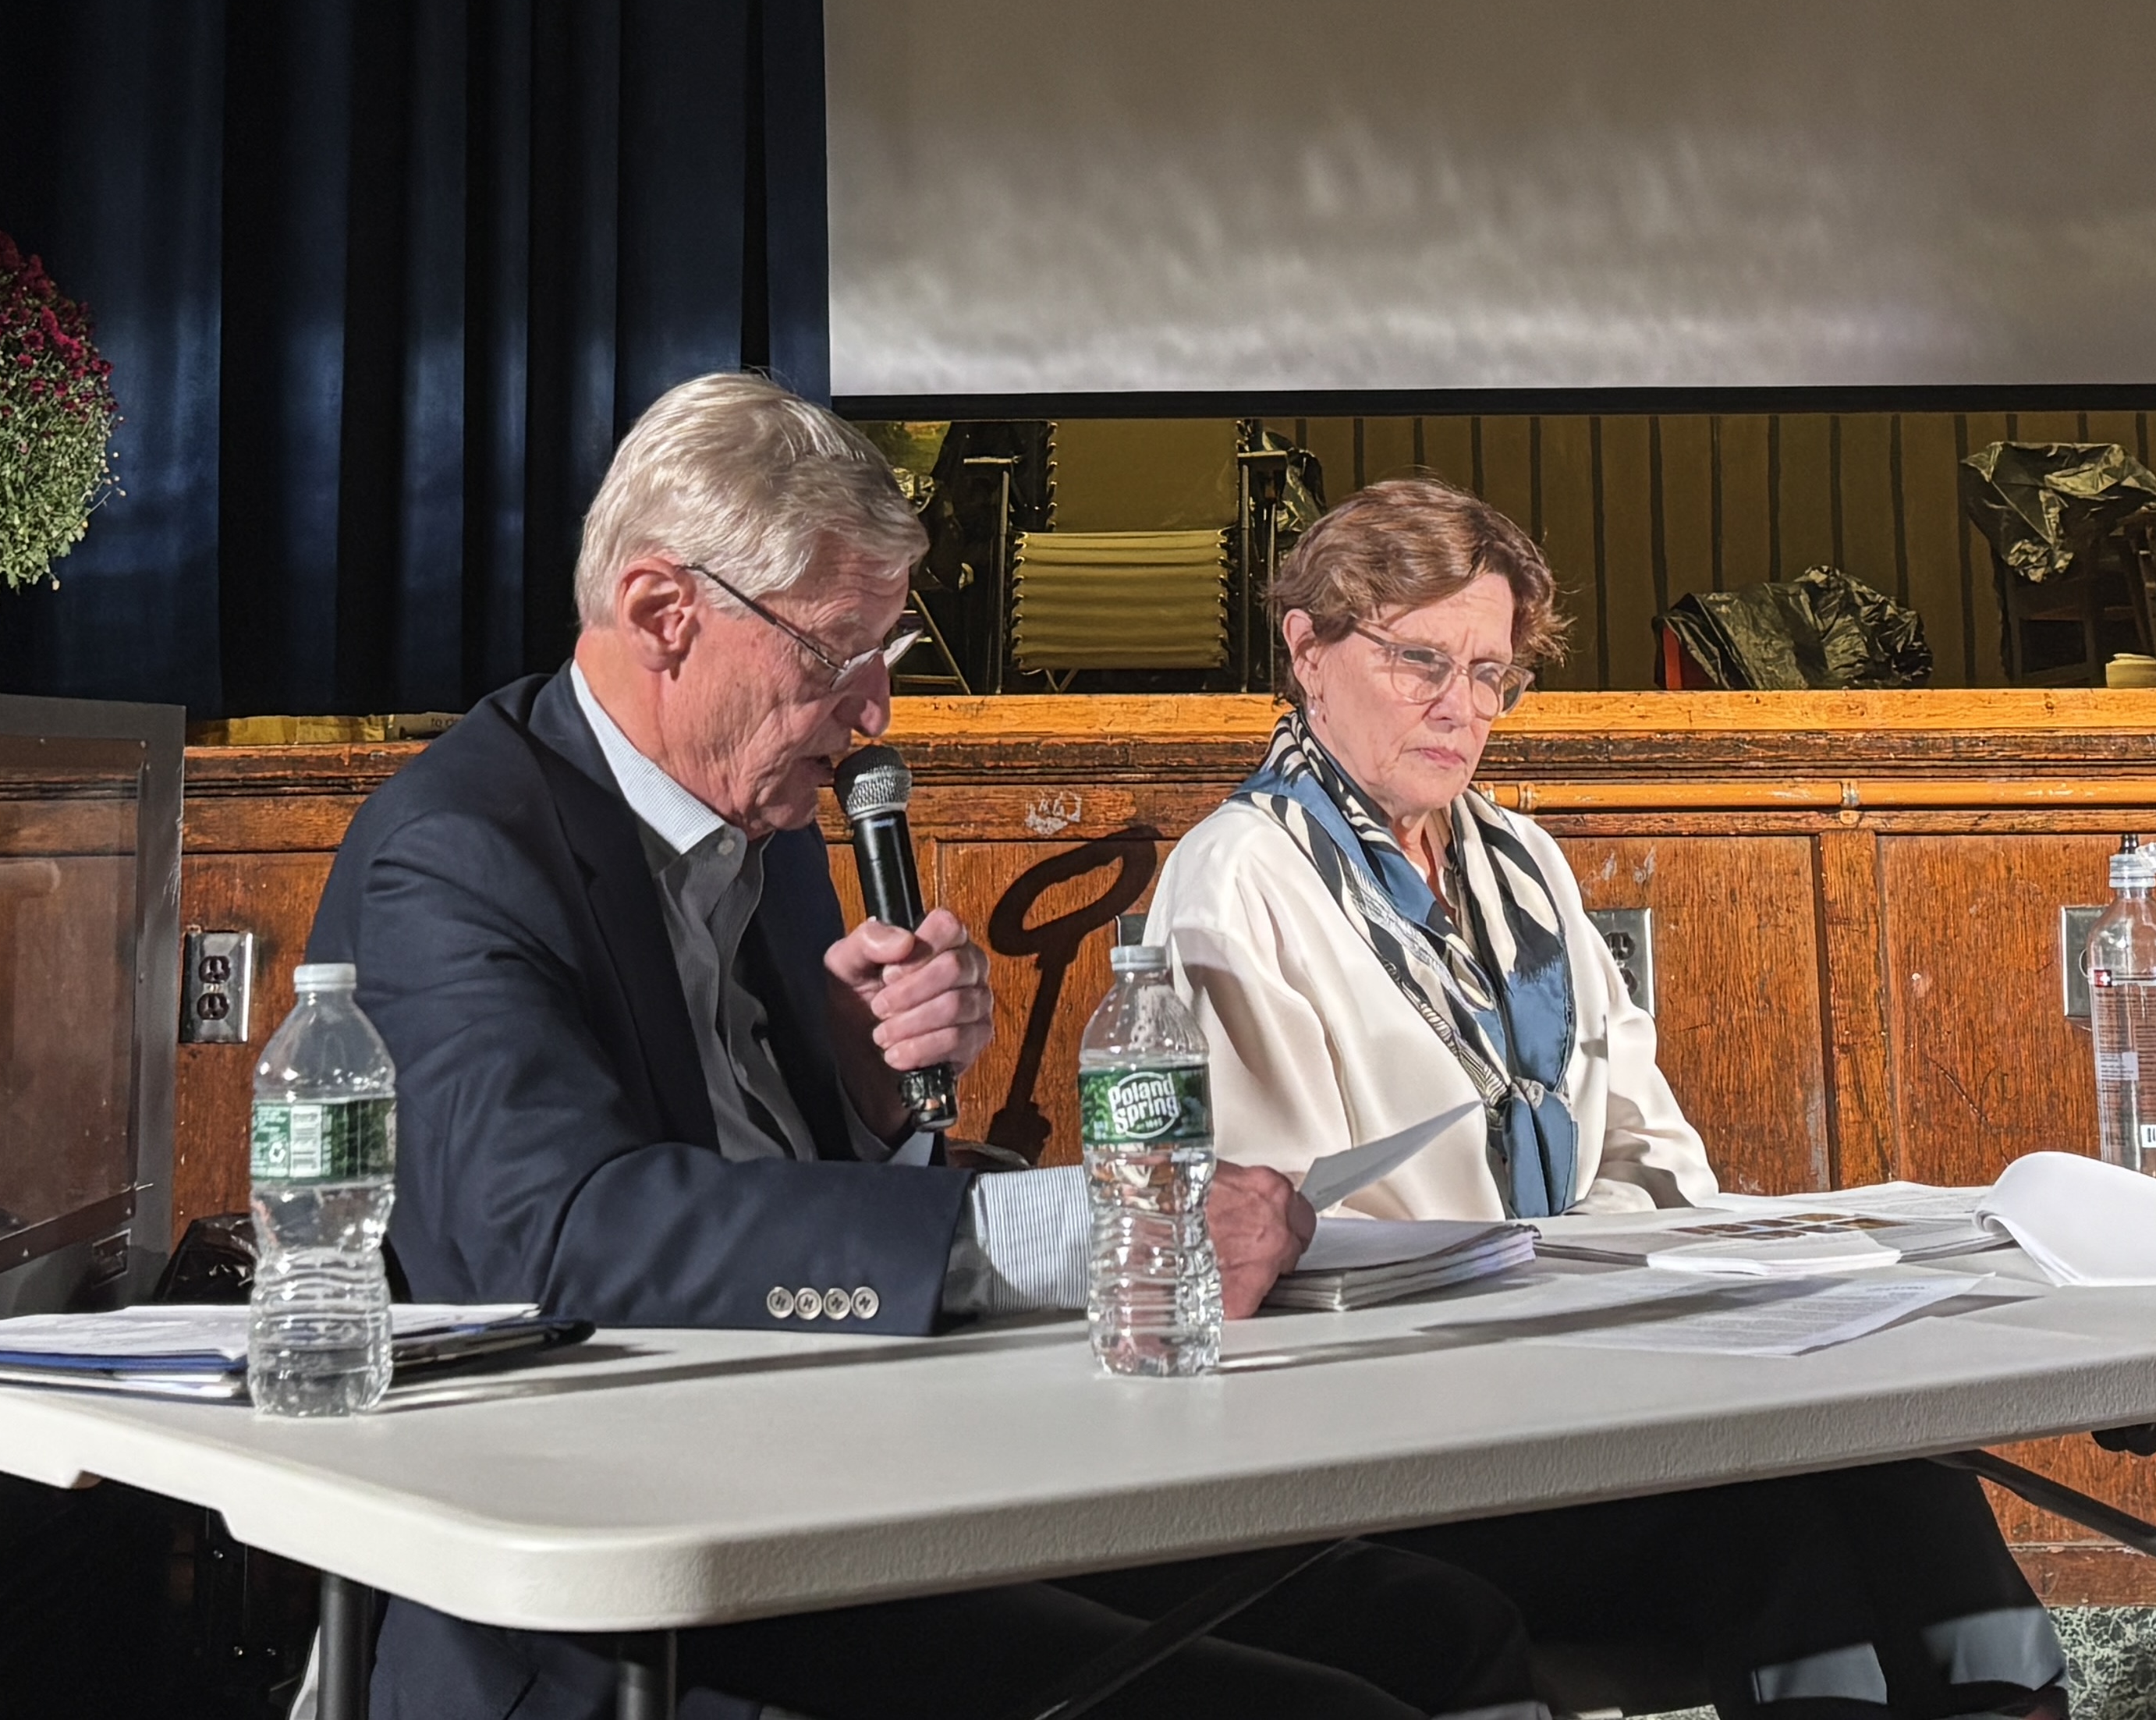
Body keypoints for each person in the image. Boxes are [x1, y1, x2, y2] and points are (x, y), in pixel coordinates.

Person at [308, 376, 1539, 1720]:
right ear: (667, 614)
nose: (873, 715)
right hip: (632, 1595)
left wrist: (874, 1103)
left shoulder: (761, 826)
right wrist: (1096, 1227)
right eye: (838, 655)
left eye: (883, 660)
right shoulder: (457, 852)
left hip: (840, 1488)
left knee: (1442, 1622)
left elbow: (788, 1192)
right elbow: (550, 1241)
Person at [1151, 475, 2067, 1720]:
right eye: (1421, 659)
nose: (1457, 706)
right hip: (1418, 1433)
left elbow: (1648, 1147)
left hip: (1609, 1378)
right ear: (1306, 649)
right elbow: (1280, 1247)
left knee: (1908, 1474)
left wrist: (1753, 1291)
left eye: (1491, 673)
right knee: (1780, 1526)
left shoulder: (1518, 860)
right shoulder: (1238, 877)